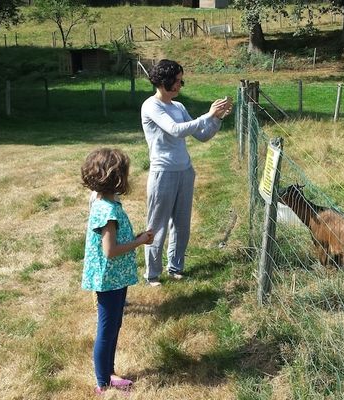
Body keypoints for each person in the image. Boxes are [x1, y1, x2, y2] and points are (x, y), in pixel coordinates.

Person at [141, 59, 232, 286]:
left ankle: (176, 267)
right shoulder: (151, 106)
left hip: (185, 171)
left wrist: (216, 118)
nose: (182, 84)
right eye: (178, 80)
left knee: (182, 224)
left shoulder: (178, 107)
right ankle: (152, 274)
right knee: (157, 225)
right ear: (165, 81)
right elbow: (175, 130)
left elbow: (201, 134)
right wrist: (207, 115)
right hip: (163, 174)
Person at [80, 148, 154, 394]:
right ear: (117, 177)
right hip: (109, 280)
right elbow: (110, 250)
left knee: (113, 326)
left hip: (115, 277)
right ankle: (102, 382)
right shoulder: (108, 211)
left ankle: (109, 373)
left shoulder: (104, 203)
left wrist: (133, 238)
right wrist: (140, 241)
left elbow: (112, 243)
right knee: (107, 329)